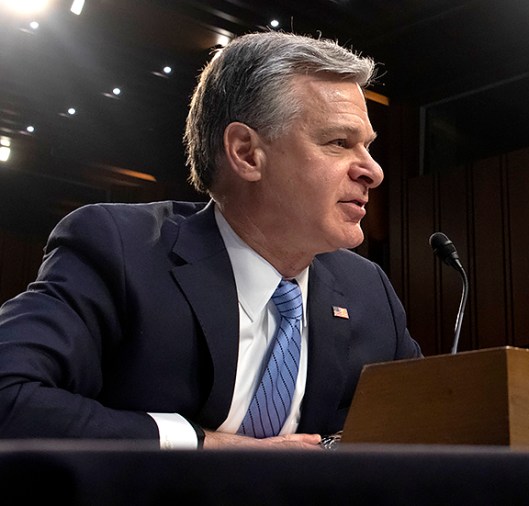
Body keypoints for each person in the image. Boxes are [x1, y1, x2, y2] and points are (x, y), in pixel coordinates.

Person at [0, 32, 421, 449]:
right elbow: (9, 394)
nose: (373, 171)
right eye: (339, 143)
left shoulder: (369, 292)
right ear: (245, 153)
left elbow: (429, 427)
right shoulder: (121, 251)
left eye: (367, 147)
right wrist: (205, 447)